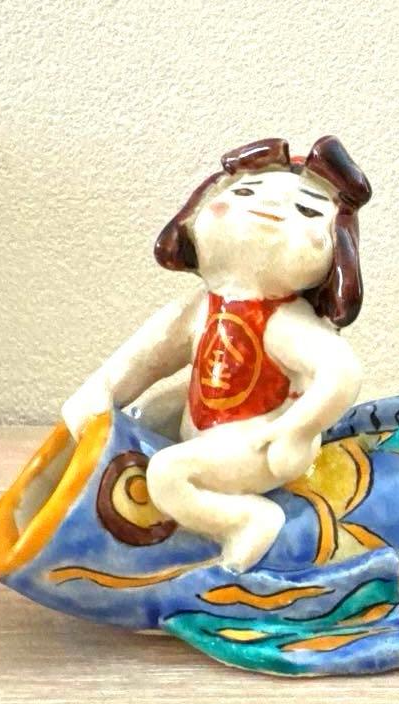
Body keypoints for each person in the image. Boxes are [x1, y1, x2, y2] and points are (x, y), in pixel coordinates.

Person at [61, 136, 370, 571]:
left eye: (306, 211)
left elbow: (341, 374)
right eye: (246, 192)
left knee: (168, 473)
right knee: (147, 414)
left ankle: (244, 520)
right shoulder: (200, 308)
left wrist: (296, 429)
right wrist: (100, 392)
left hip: (260, 439)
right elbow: (144, 358)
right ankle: (124, 513)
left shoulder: (285, 321)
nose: (269, 206)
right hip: (207, 426)